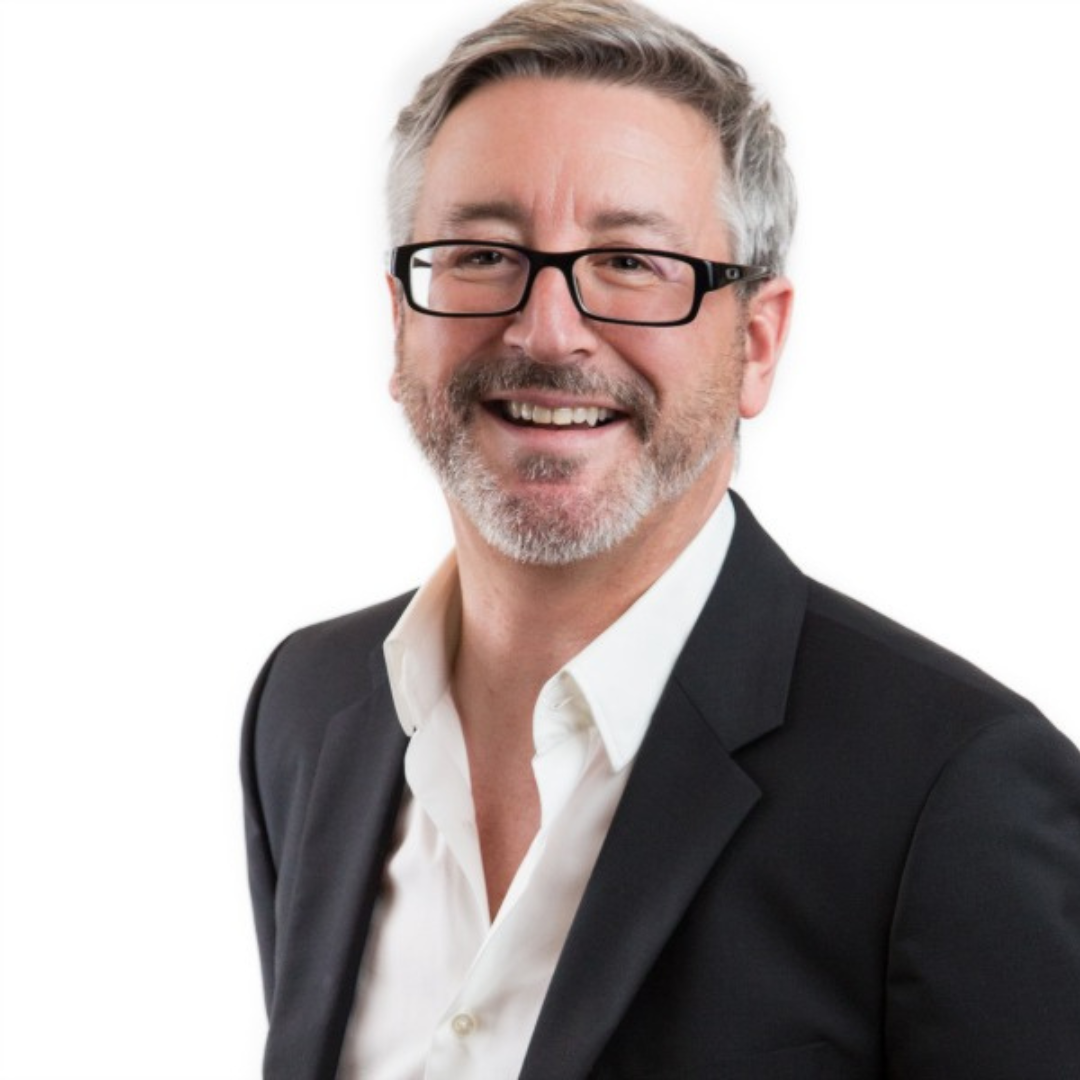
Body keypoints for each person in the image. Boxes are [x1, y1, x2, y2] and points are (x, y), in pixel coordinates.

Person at [241, 1, 1080, 1077]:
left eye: (632, 263)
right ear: (402, 317)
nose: (548, 331)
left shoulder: (955, 791)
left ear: (757, 343)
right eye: (482, 253)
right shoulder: (306, 709)